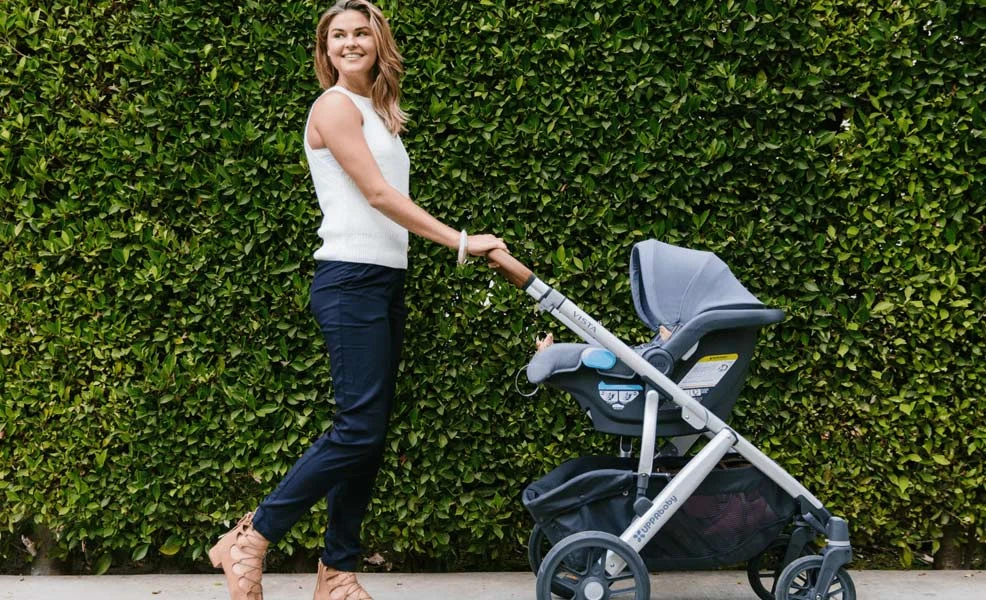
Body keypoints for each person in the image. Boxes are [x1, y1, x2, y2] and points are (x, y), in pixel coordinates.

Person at [207, 2, 507, 599]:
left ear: (378, 42)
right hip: (347, 281)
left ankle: (336, 574)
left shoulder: (379, 112)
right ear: (325, 50)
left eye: (359, 32)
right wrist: (462, 241)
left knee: (367, 436)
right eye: (337, 35)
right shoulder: (334, 106)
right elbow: (374, 193)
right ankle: (252, 534)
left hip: (383, 281)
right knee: (356, 430)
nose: (349, 42)